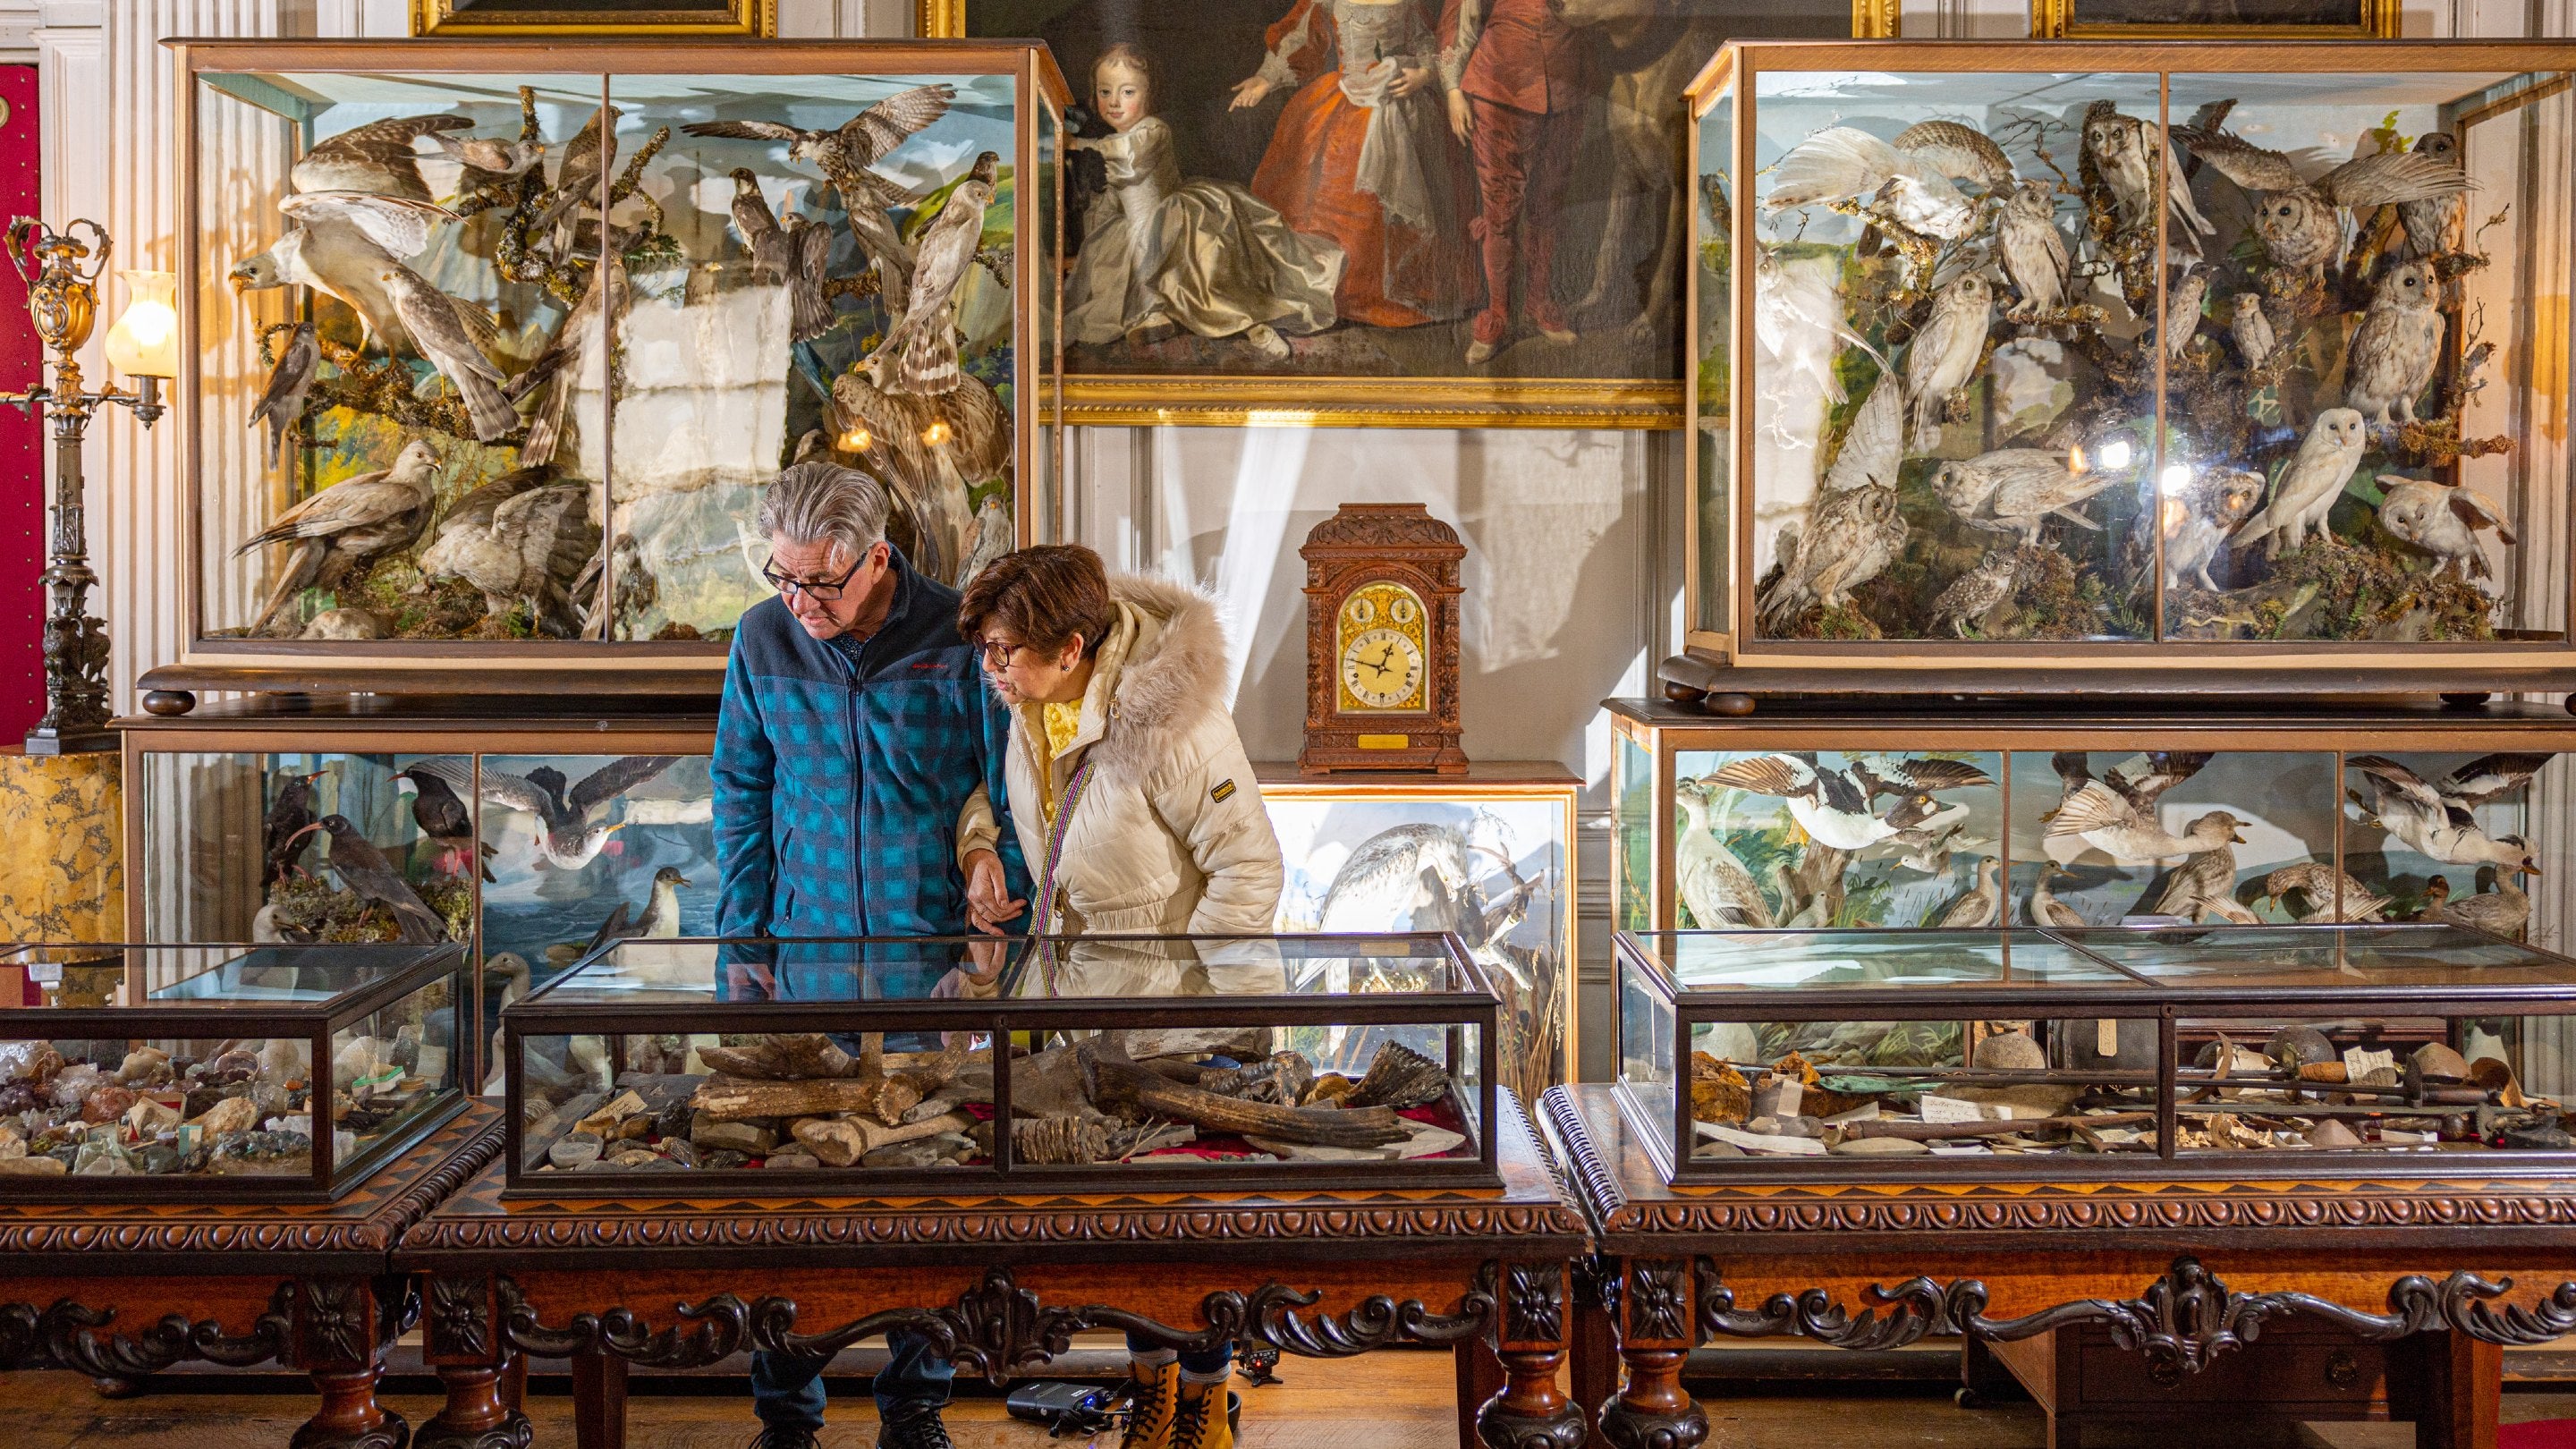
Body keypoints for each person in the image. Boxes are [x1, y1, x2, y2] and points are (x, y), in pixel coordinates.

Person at [711, 459, 1028, 1449]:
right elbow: (741, 793)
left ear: (877, 558)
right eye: (783, 577)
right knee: (790, 1193)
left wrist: (994, 908)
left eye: (822, 583)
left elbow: (1005, 781)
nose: (800, 602)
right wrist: (742, 939)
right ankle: (787, 1410)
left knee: (929, 1187)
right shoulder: (762, 639)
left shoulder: (955, 634)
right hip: (803, 954)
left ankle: (915, 1406)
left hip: (931, 953)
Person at [956, 546, 1284, 1449]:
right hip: (1078, 1011)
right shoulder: (1036, 705)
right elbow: (1008, 794)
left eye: (1003, 651)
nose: (991, 669)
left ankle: (1207, 1402)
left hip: (1169, 1015)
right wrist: (979, 847)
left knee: (1183, 1237)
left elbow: (1247, 871)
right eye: (986, 649)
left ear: (1071, 648)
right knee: (1123, 1240)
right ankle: (1153, 1395)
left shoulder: (1176, 725)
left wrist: (1218, 1022)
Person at [1066, 43, 1344, 360]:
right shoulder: (1109, 141)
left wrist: (1076, 143)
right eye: (1105, 92)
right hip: (1137, 230)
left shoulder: (1153, 130)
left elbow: (1127, 157)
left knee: (1207, 268)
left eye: (1128, 92)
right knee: (1122, 272)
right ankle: (1154, 316)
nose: (1114, 102)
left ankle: (1252, 325)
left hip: (1175, 219)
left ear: (1149, 96)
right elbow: (1111, 189)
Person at [1229, 0, 1480, 331]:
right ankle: (1341, 293)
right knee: (1332, 190)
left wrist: (1423, 74)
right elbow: (1301, 41)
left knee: (1394, 201)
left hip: (1401, 107)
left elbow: (1429, 44)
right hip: (1344, 102)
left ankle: (1387, 293)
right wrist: (1265, 79)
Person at [1441, 0, 1590, 363]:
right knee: (1501, 212)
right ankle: (1497, 316)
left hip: (1566, 89)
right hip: (1499, 93)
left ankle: (1539, 303)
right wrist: (1453, 91)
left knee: (1548, 207)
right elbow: (1463, 22)